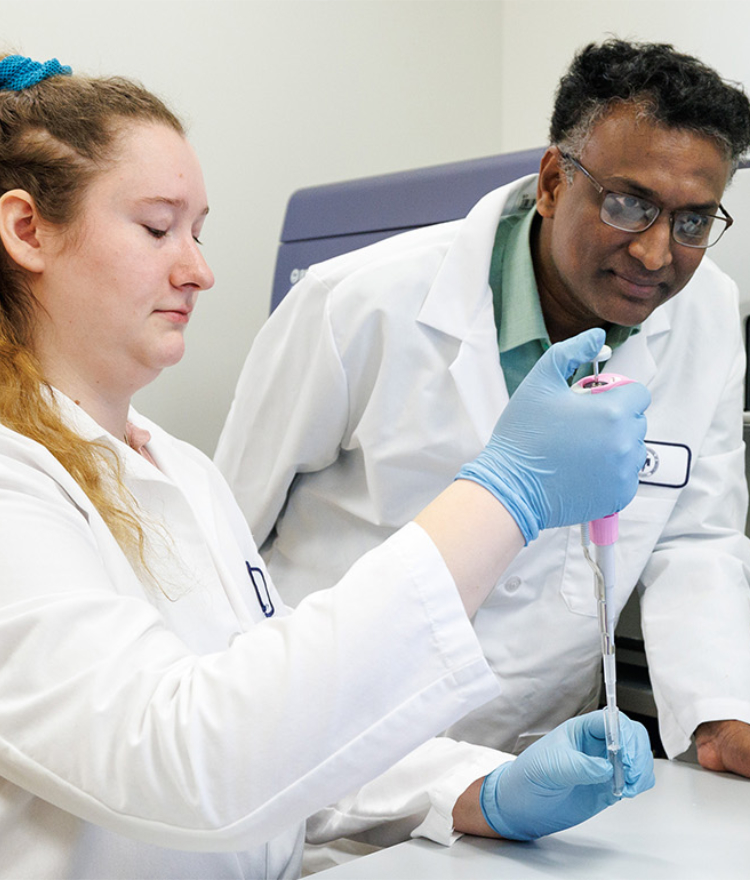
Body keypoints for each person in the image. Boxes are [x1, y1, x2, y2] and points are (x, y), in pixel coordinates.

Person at [0, 54, 655, 880]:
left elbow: (274, 719)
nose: (198, 270)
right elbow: (181, 760)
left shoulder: (181, 470)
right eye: (157, 227)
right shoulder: (12, 485)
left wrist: (469, 789)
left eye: (198, 232)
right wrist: (503, 495)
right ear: (27, 230)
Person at [216, 37, 750, 787]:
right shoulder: (357, 305)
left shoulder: (709, 312)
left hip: (533, 774)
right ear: (555, 180)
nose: (659, 254)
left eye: (694, 222)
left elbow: (695, 534)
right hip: (325, 760)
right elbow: (223, 540)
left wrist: (721, 713)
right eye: (630, 205)